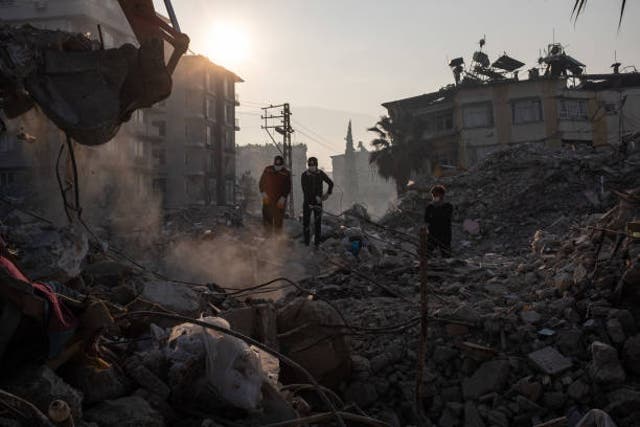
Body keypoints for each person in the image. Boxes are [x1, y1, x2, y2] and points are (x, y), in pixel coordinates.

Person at [301, 157, 333, 247]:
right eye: (310, 165)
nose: (311, 167)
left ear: (316, 165)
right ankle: (306, 243)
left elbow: (331, 183)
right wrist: (315, 197)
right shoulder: (304, 175)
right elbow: (305, 190)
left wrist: (327, 194)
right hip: (307, 202)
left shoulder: (320, 174)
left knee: (318, 223)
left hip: (318, 203)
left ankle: (317, 244)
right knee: (306, 223)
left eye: (313, 165)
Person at [259, 155, 291, 235]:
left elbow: (288, 187)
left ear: (282, 165)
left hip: (279, 201)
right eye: (276, 165)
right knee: (267, 220)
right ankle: (267, 240)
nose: (277, 167)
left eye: (279, 165)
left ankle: (277, 242)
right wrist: (263, 193)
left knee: (278, 222)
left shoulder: (286, 173)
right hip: (268, 199)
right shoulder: (268, 170)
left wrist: (283, 197)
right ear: (274, 164)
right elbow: (261, 182)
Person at [424, 184, 453, 257]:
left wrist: (436, 207)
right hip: (433, 234)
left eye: (436, 195)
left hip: (444, 234)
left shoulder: (448, 206)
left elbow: (446, 218)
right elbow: (426, 220)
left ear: (442, 195)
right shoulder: (430, 207)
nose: (434, 197)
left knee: (446, 253)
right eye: (433, 195)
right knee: (428, 253)